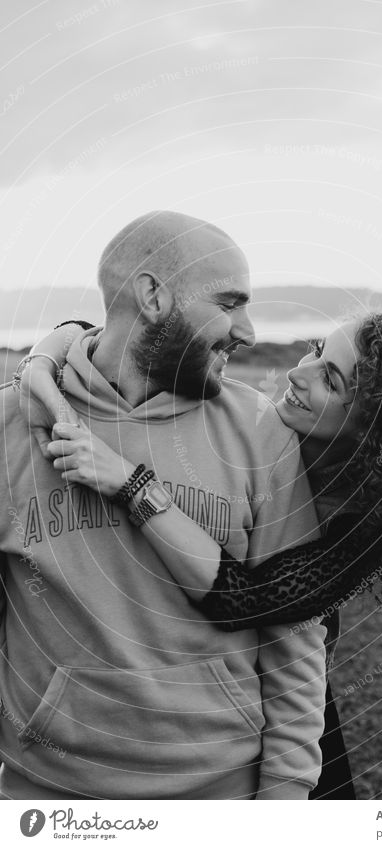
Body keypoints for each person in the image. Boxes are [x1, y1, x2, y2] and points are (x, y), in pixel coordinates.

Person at [16, 308, 382, 797]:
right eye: (318, 350)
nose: (296, 373)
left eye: (330, 379)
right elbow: (99, 332)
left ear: (374, 424)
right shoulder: (262, 436)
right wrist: (48, 354)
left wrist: (131, 484)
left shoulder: (361, 528)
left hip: (288, 692)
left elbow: (240, 599)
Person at [0, 211, 330, 801]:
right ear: (153, 295)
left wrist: (287, 790)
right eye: (229, 303)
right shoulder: (11, 427)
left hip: (222, 793)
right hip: (45, 795)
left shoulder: (260, 432)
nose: (248, 331)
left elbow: (294, 630)